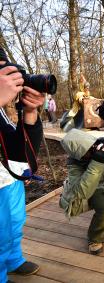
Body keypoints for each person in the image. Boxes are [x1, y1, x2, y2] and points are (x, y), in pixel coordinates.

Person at [0, 48, 44, 283]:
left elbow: (20, 146)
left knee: (13, 223)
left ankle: (12, 260)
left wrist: (30, 112)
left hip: (6, 180)